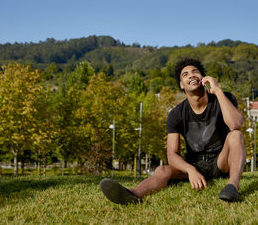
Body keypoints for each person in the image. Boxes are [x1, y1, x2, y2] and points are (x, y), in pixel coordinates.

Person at [100, 58, 246, 204]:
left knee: (235, 135)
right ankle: (132, 194)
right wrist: (190, 170)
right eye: (185, 74)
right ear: (181, 85)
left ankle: (232, 186)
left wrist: (218, 91)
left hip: (221, 161)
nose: (191, 75)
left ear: (203, 78)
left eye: (195, 72)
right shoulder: (176, 114)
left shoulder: (224, 98)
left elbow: (236, 124)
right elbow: (172, 154)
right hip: (195, 163)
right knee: (162, 170)